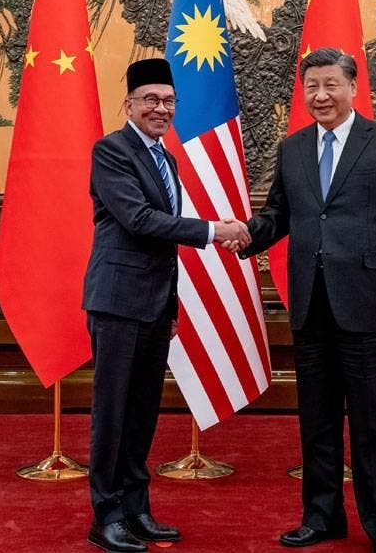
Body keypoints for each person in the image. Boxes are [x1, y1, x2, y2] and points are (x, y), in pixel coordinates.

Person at [238, 48, 376, 553]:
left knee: (375, 420)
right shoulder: (293, 148)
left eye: (330, 85)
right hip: (310, 303)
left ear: (352, 88)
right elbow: (279, 213)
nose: (320, 96)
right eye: (311, 87)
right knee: (315, 418)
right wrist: (246, 235)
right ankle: (321, 517)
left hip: (368, 300)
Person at [82, 57, 250, 553]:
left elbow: (162, 245)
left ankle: (136, 509)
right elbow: (139, 220)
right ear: (129, 103)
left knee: (143, 413)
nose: (161, 109)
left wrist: (171, 306)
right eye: (151, 100)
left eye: (169, 101)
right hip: (117, 301)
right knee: (113, 413)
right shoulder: (111, 151)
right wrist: (212, 230)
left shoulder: (167, 158)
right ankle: (105, 516)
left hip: (154, 305)